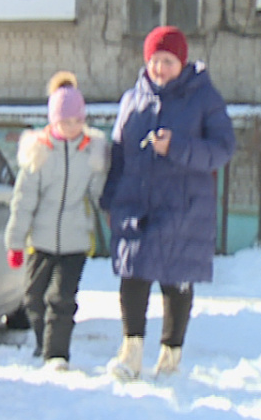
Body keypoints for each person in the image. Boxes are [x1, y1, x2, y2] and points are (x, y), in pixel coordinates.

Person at [99, 25, 236, 379]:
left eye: (168, 61)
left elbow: (222, 150)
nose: (160, 68)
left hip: (184, 208)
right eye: (155, 60)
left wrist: (176, 147)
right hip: (136, 205)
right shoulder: (133, 99)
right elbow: (118, 153)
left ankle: (170, 357)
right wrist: (111, 200)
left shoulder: (204, 98)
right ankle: (131, 353)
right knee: (133, 277)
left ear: (182, 62)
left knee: (176, 282)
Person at [5, 71, 108, 370]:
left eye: (77, 120)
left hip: (75, 240)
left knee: (62, 299)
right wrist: (15, 241)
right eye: (65, 121)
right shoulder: (38, 152)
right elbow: (23, 201)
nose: (72, 127)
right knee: (33, 298)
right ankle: (43, 343)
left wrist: (113, 215)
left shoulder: (92, 151)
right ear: (53, 121)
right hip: (40, 240)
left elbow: (99, 192)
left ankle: (56, 355)